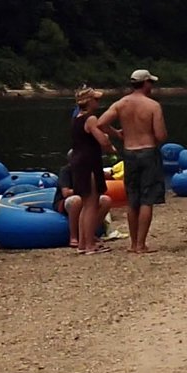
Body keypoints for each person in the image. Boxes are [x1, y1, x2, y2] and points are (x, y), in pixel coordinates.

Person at [103, 70, 170, 254]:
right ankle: (141, 244)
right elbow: (161, 135)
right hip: (148, 151)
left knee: (133, 199)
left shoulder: (121, 104)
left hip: (129, 152)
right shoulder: (153, 106)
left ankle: (133, 244)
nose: (152, 86)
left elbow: (101, 123)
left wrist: (117, 133)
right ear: (146, 83)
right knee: (147, 199)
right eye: (151, 83)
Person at [63, 87, 112, 253]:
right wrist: (110, 145)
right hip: (89, 162)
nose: (98, 102)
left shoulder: (76, 118)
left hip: (79, 162)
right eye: (96, 100)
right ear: (89, 101)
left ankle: (83, 244)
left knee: (86, 205)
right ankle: (90, 244)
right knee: (91, 204)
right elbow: (102, 141)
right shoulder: (90, 119)